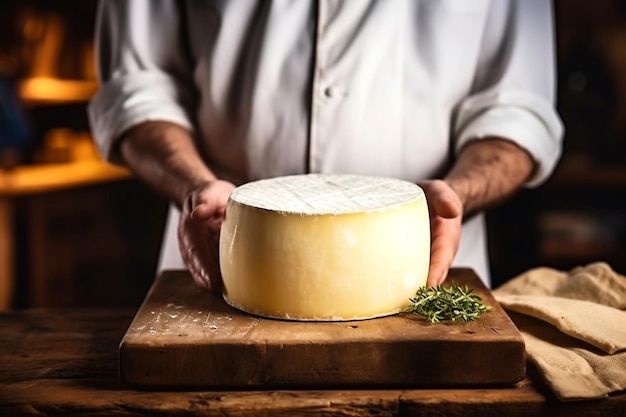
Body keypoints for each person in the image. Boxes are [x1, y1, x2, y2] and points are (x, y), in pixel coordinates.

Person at [88, 0, 563, 291]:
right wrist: (193, 184)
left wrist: (458, 193)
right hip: (221, 259)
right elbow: (138, 88)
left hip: (418, 270)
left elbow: (516, 108)